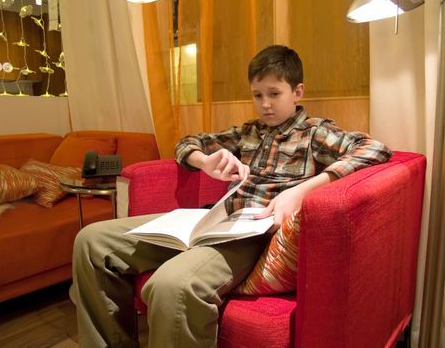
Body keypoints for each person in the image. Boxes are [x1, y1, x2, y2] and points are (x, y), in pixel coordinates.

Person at [72, 45, 392, 348]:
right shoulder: (247, 132)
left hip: (252, 232)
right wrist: (205, 162)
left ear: (297, 92)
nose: (265, 104)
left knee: (172, 285)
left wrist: (302, 191)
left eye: (274, 94)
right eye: (257, 95)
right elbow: (186, 143)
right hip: (213, 217)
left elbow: (374, 149)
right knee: (92, 242)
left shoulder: (314, 132)